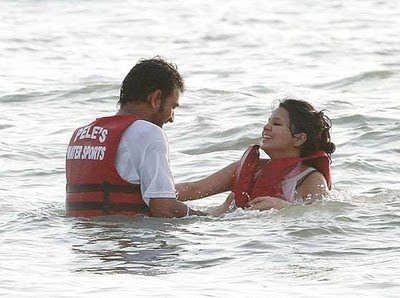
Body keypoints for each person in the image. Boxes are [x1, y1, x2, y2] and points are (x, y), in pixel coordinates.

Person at [65, 57, 206, 218]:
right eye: (172, 106)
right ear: (156, 99)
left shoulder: (80, 135)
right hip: (125, 240)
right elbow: (164, 209)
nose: (172, 117)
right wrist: (209, 217)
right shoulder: (148, 133)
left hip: (80, 240)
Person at [176, 99, 336, 212]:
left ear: (299, 138)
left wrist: (283, 207)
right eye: (268, 122)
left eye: (276, 124)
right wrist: (153, 193)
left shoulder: (310, 178)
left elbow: (319, 215)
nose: (266, 127)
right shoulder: (246, 168)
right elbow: (194, 189)